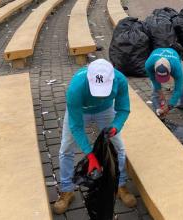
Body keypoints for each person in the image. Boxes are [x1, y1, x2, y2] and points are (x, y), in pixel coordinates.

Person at [53, 59, 136, 214]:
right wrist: (90, 155)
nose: (98, 96)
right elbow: (76, 126)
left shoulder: (120, 80)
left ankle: (120, 185)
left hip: (105, 110)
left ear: (112, 79)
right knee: (66, 149)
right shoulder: (75, 88)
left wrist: (116, 126)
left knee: (119, 148)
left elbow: (123, 109)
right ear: (89, 79)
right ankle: (67, 190)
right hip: (81, 111)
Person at [145, 47, 183, 118]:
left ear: (170, 71)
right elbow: (153, 79)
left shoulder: (176, 67)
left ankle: (182, 104)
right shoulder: (149, 65)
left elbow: (178, 88)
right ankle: (157, 108)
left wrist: (169, 106)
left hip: (174, 55)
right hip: (156, 53)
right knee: (154, 88)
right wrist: (160, 93)